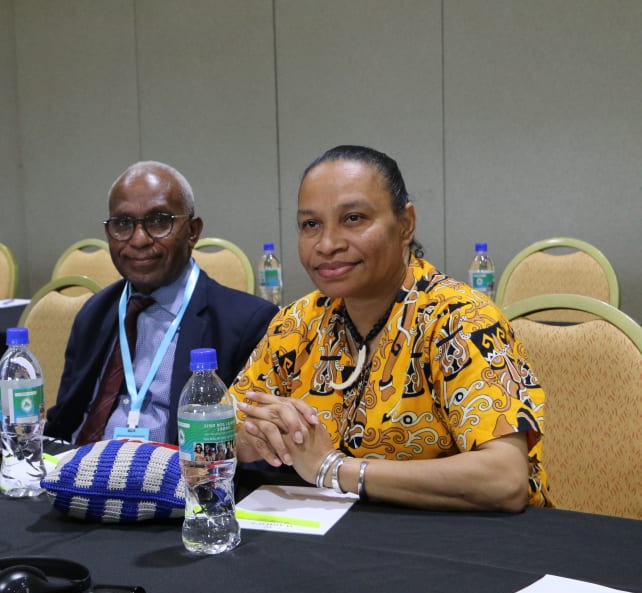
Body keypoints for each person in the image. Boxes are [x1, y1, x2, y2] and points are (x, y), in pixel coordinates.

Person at [231, 145, 548, 512]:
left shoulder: (460, 320)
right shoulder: (297, 323)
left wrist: (333, 468)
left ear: (406, 224)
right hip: (338, 539)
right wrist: (247, 440)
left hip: (467, 543)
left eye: (353, 218)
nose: (328, 244)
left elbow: (504, 479)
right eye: (311, 225)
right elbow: (209, 432)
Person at [44, 161, 278, 444]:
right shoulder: (95, 313)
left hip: (174, 480)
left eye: (158, 222)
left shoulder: (245, 324)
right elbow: (63, 421)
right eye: (122, 224)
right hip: (74, 472)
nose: (139, 239)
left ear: (193, 231)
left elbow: (255, 448)